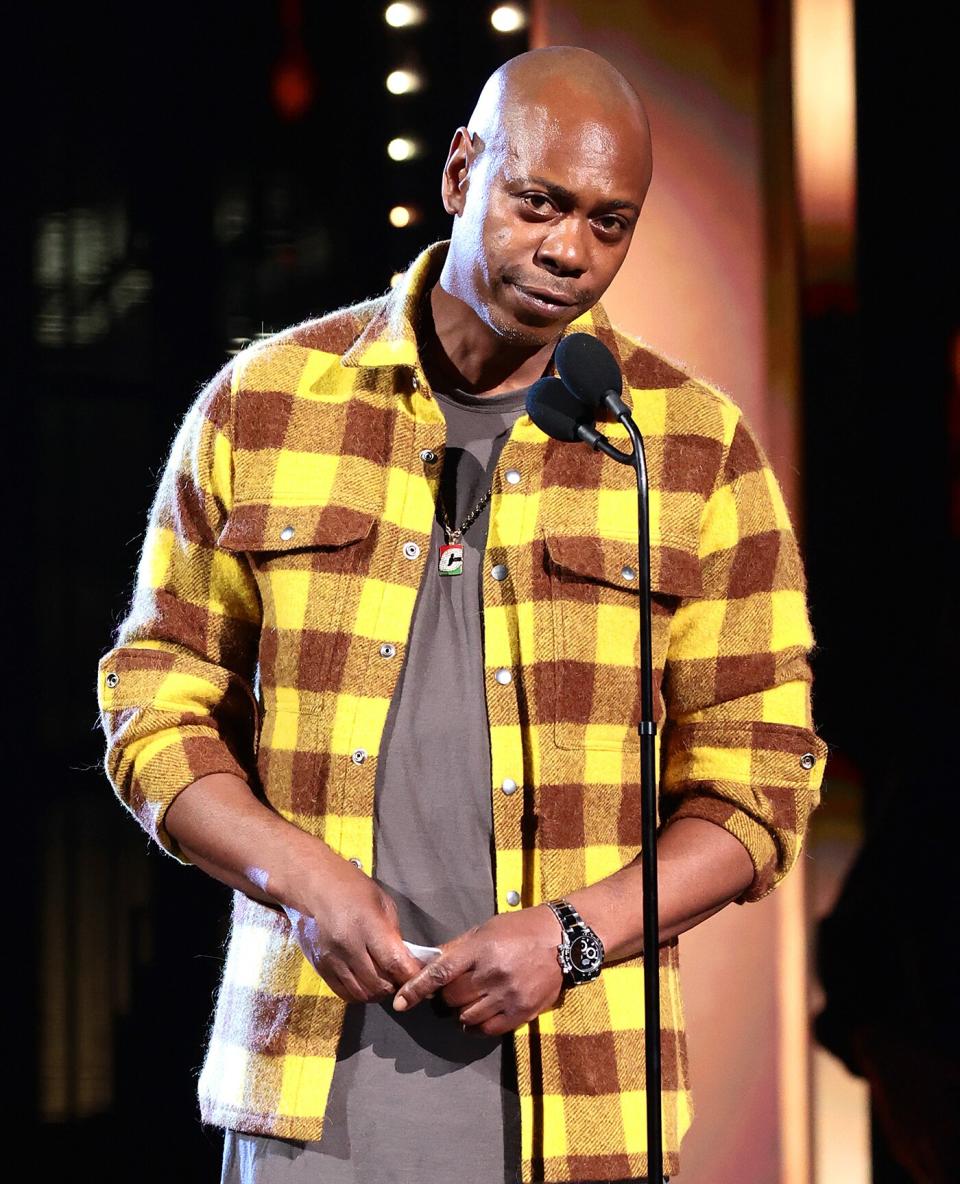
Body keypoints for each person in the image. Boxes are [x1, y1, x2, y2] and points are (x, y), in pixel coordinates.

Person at [96, 46, 827, 1184]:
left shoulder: (693, 449)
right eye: (539, 203)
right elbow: (152, 700)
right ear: (459, 174)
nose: (570, 252)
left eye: (609, 221)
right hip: (309, 1100)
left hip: (586, 1106)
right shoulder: (267, 406)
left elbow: (763, 780)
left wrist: (572, 935)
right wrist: (301, 874)